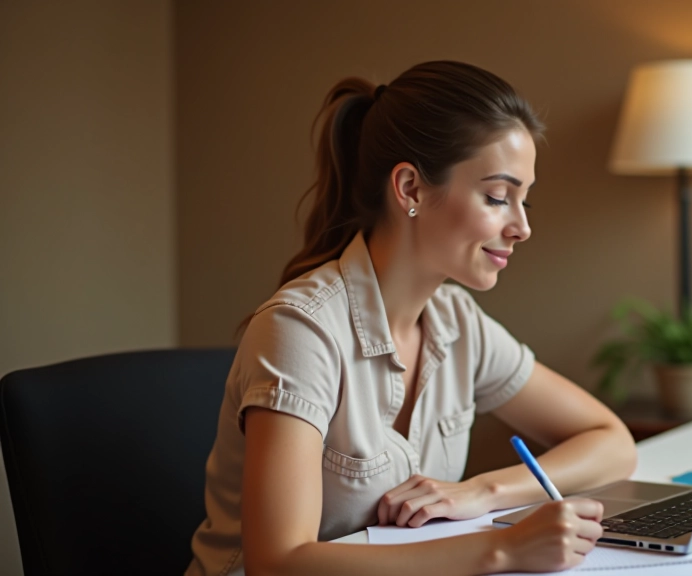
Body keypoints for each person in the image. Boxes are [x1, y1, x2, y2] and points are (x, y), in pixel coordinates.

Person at [187, 60, 637, 576]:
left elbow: (612, 442)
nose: (521, 227)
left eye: (524, 200)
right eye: (497, 197)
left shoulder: (457, 321)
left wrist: (481, 492)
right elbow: (278, 562)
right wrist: (503, 549)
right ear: (411, 189)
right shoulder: (300, 330)